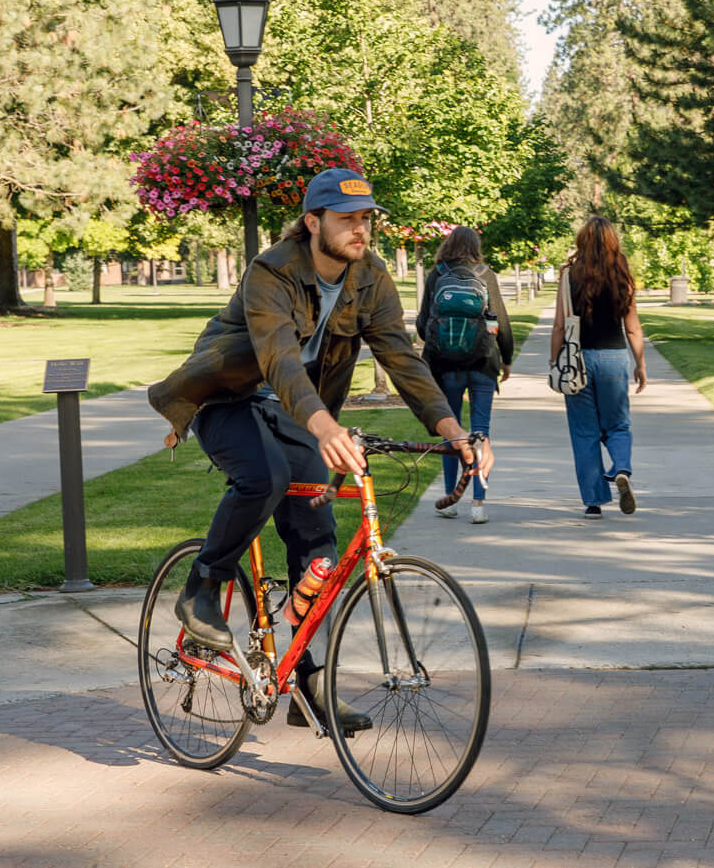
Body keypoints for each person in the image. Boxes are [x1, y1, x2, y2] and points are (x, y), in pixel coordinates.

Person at [146, 168, 492, 732]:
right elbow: (279, 358)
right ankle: (203, 587)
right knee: (265, 477)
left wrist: (453, 429)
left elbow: (400, 357)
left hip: (299, 409)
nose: (361, 230)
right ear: (313, 222)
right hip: (230, 399)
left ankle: (312, 680)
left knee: (318, 538)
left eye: (366, 219)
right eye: (347, 219)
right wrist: (326, 427)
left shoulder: (371, 277)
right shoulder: (271, 271)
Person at [416, 226, 515, 524]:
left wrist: (442, 340)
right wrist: (506, 358)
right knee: (480, 432)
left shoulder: (437, 274)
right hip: (483, 362)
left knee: (452, 433)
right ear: (476, 247)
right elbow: (501, 322)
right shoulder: (486, 274)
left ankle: (449, 500)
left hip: (445, 365)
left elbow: (423, 322)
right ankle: (478, 504)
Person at [551, 215, 646, 519]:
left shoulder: (569, 274)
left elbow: (558, 325)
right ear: (612, 241)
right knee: (618, 424)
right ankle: (620, 468)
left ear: (582, 241)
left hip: (577, 360)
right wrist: (640, 364)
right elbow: (632, 328)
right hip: (613, 358)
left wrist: (555, 362)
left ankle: (593, 502)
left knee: (584, 432)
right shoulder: (621, 273)